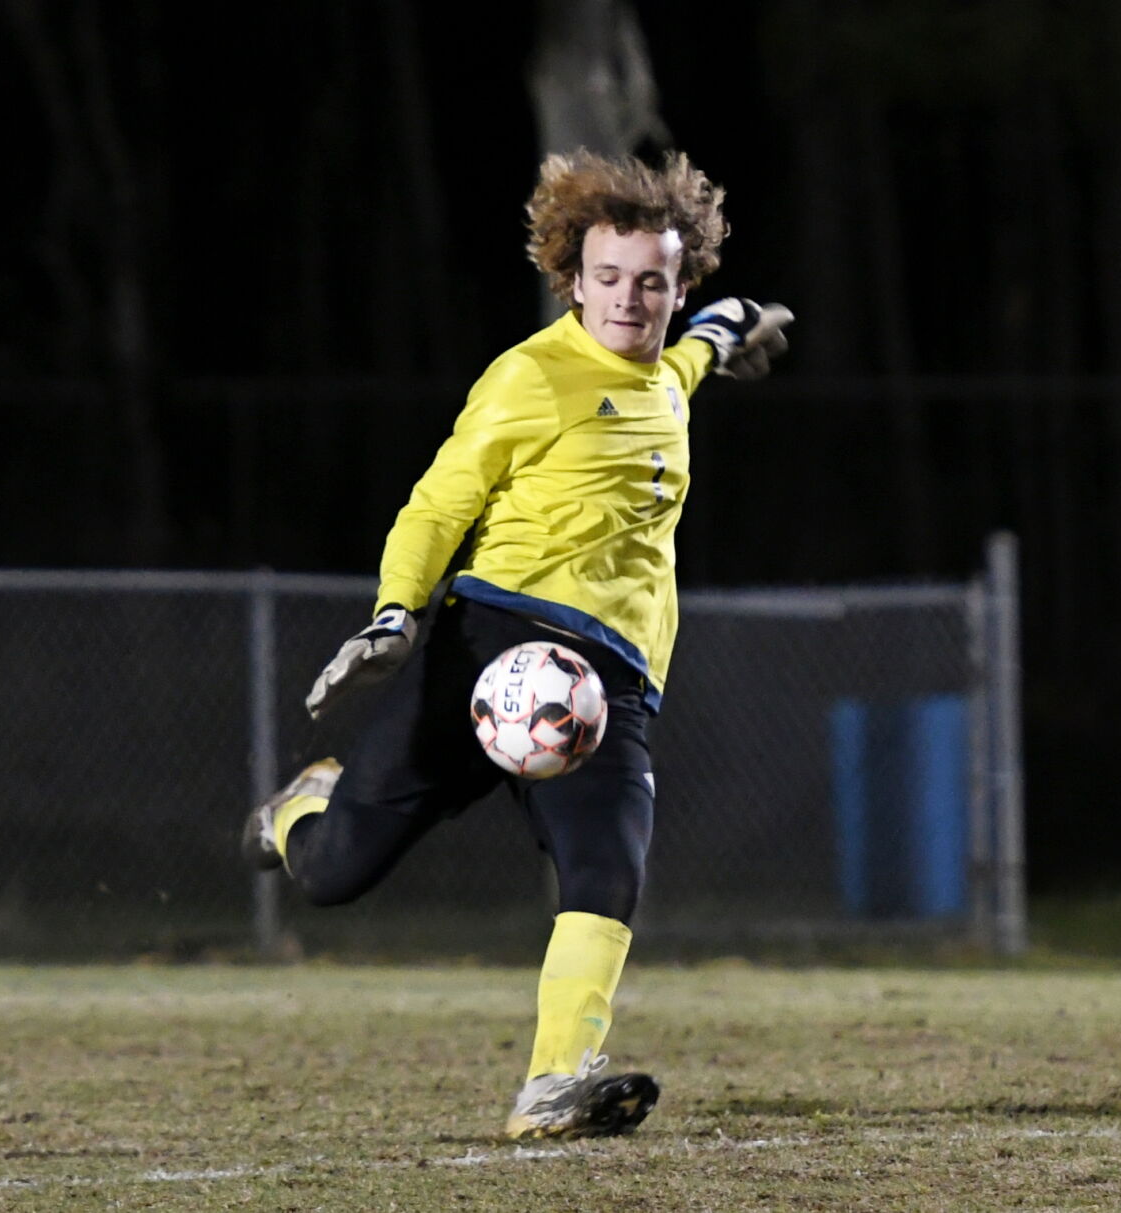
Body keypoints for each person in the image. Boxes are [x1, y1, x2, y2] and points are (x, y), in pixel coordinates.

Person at [242, 148, 792, 1140]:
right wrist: (394, 612)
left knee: (606, 867)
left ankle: (552, 1085)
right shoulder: (531, 377)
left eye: (652, 282)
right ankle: (298, 809)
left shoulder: (667, 372)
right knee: (330, 875)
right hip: (486, 643)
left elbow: (693, 357)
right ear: (572, 282)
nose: (628, 299)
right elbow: (437, 500)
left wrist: (731, 322)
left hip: (606, 687)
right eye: (608, 278)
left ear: (676, 286)